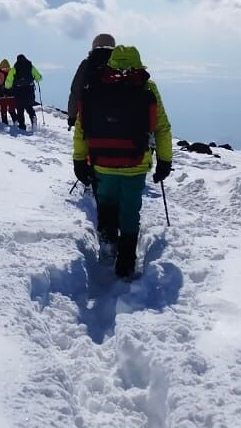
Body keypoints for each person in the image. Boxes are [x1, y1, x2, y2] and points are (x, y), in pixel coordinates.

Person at [72, 45, 172, 278]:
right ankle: (126, 258)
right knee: (130, 209)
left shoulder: (95, 86)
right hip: (135, 164)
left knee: (106, 201)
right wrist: (164, 161)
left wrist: (79, 159)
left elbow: (81, 127)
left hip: (102, 162)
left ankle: (108, 243)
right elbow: (162, 128)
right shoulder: (147, 87)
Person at [68, 34, 115, 127]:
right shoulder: (118, 63)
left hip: (91, 118)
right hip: (119, 118)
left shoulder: (87, 64)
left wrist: (72, 116)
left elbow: (76, 90)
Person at [8, 54, 42, 130]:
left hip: (19, 90)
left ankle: (22, 125)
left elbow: (9, 80)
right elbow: (39, 77)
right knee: (29, 105)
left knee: (20, 108)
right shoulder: (30, 66)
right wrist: (36, 79)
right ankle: (33, 117)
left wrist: (8, 86)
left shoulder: (15, 68)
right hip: (29, 89)